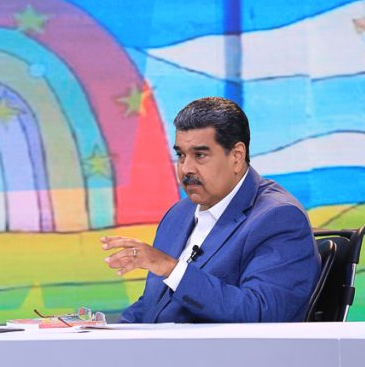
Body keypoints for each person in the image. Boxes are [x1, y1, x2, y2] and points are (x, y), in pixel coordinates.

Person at [101, 97, 320, 323]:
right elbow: (154, 305)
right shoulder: (178, 215)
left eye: (200, 155)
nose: (186, 168)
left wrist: (171, 268)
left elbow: (260, 313)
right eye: (181, 155)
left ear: (236, 157)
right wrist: (102, 333)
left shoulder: (279, 217)